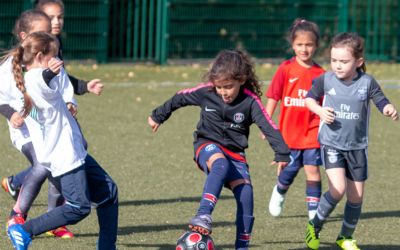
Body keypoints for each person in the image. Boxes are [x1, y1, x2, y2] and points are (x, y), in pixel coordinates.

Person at [148, 49, 291, 250]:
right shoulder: (207, 92)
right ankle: (203, 214)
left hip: (235, 154)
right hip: (207, 145)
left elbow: (268, 125)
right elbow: (180, 97)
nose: (223, 92)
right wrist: (158, 115)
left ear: (241, 80)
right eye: (219, 87)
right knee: (220, 163)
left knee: (246, 194)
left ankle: (242, 246)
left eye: (228, 87)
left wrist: (282, 152)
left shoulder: (250, 101)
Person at [6, 31, 118, 250]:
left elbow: (49, 84)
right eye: (54, 55)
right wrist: (49, 71)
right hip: (64, 157)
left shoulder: (31, 79)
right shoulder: (36, 79)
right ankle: (24, 230)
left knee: (108, 192)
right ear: (39, 56)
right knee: (78, 207)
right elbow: (42, 79)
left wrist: (72, 94)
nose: (58, 59)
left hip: (73, 151)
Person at [304, 32, 398, 250]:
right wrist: (319, 110)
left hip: (357, 147)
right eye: (334, 60)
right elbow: (309, 98)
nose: (337, 66)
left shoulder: (366, 82)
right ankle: (315, 225)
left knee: (356, 197)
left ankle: (345, 237)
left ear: (359, 62)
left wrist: (388, 108)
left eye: (344, 62)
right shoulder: (326, 79)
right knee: (337, 189)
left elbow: (380, 99)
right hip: (332, 144)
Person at [265, 19, 324, 220]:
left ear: (316, 46)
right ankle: (279, 191)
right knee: (288, 172)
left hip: (312, 132)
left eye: (309, 45)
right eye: (300, 45)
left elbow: (325, 106)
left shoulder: (321, 74)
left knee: (312, 169)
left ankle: (314, 212)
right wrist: (267, 125)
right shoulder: (285, 69)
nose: (304, 49)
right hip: (289, 134)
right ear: (292, 45)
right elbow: (273, 96)